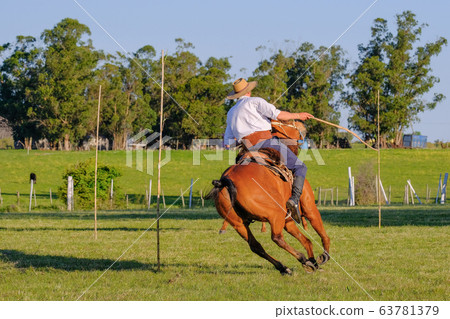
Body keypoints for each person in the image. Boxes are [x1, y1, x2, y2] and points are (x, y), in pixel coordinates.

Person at [224, 78, 313, 222]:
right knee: (300, 167)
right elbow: (279, 115)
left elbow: (228, 144)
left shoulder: (231, 112)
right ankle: (294, 201)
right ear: (249, 90)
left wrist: (243, 136)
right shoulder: (255, 101)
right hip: (267, 143)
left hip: (246, 150)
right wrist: (299, 116)